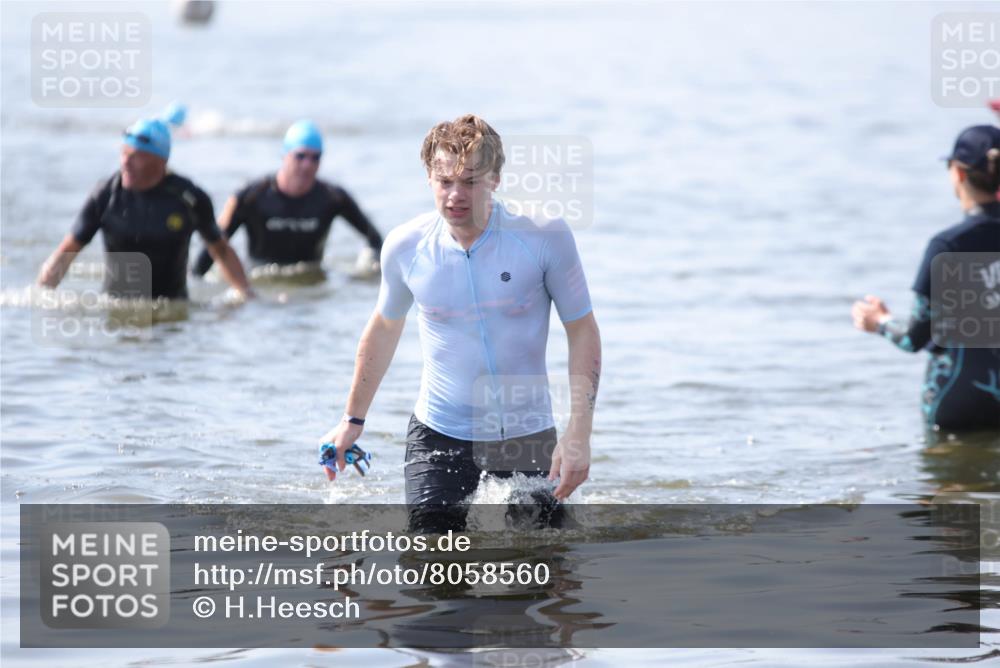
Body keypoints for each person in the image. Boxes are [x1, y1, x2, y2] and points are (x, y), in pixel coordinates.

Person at [319, 114, 602, 533]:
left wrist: (578, 435)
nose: (455, 194)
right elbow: (384, 328)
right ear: (428, 179)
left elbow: (582, 331)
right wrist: (352, 421)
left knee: (543, 569)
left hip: (526, 433)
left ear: (496, 178)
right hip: (439, 433)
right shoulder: (405, 248)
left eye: (470, 181)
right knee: (432, 564)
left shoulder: (543, 236)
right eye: (444, 181)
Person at [852, 125, 1000, 430]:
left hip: (957, 399)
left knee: (949, 473)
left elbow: (913, 338)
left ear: (958, 173)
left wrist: (879, 322)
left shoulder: (947, 246)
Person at [37, 116, 252, 300]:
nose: (125, 163)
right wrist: (40, 294)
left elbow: (220, 249)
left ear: (161, 160)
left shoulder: (189, 198)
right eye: (123, 153)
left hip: (173, 307)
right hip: (117, 307)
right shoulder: (105, 195)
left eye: (135, 156)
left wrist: (246, 293)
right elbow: (68, 249)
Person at [191, 120, 383, 279]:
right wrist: (196, 280)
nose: (307, 165)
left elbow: (375, 240)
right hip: (261, 279)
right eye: (300, 156)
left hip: (312, 282)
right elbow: (215, 246)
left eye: (315, 158)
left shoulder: (333, 197)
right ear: (285, 155)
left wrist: (367, 275)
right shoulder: (251, 196)